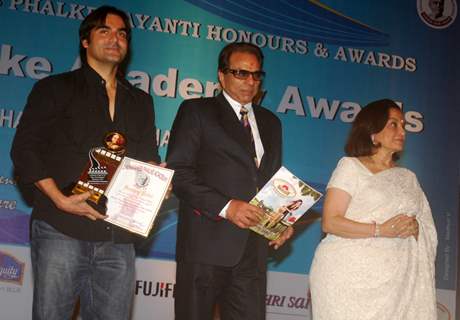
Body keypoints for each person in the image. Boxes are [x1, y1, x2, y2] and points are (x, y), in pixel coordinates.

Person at [10, 6, 160, 320]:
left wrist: (157, 185)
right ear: (85, 41)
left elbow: (149, 160)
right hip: (61, 228)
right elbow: (25, 150)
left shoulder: (141, 100)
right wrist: (60, 200)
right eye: (104, 31)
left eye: (122, 34)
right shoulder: (54, 88)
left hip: (117, 237)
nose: (114, 39)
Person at [167, 42, 294, 320]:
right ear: (221, 76)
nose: (250, 82)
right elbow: (179, 172)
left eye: (256, 75)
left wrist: (280, 222)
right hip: (206, 246)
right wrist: (228, 206)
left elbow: (271, 182)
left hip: (253, 251)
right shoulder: (197, 111)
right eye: (241, 73)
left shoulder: (272, 123)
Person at [309, 99, 438, 319]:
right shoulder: (350, 167)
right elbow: (331, 222)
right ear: (373, 132)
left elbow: (427, 228)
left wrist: (416, 228)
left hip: (397, 286)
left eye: (403, 125)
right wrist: (381, 230)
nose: (402, 131)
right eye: (393, 124)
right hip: (347, 278)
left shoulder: (409, 178)